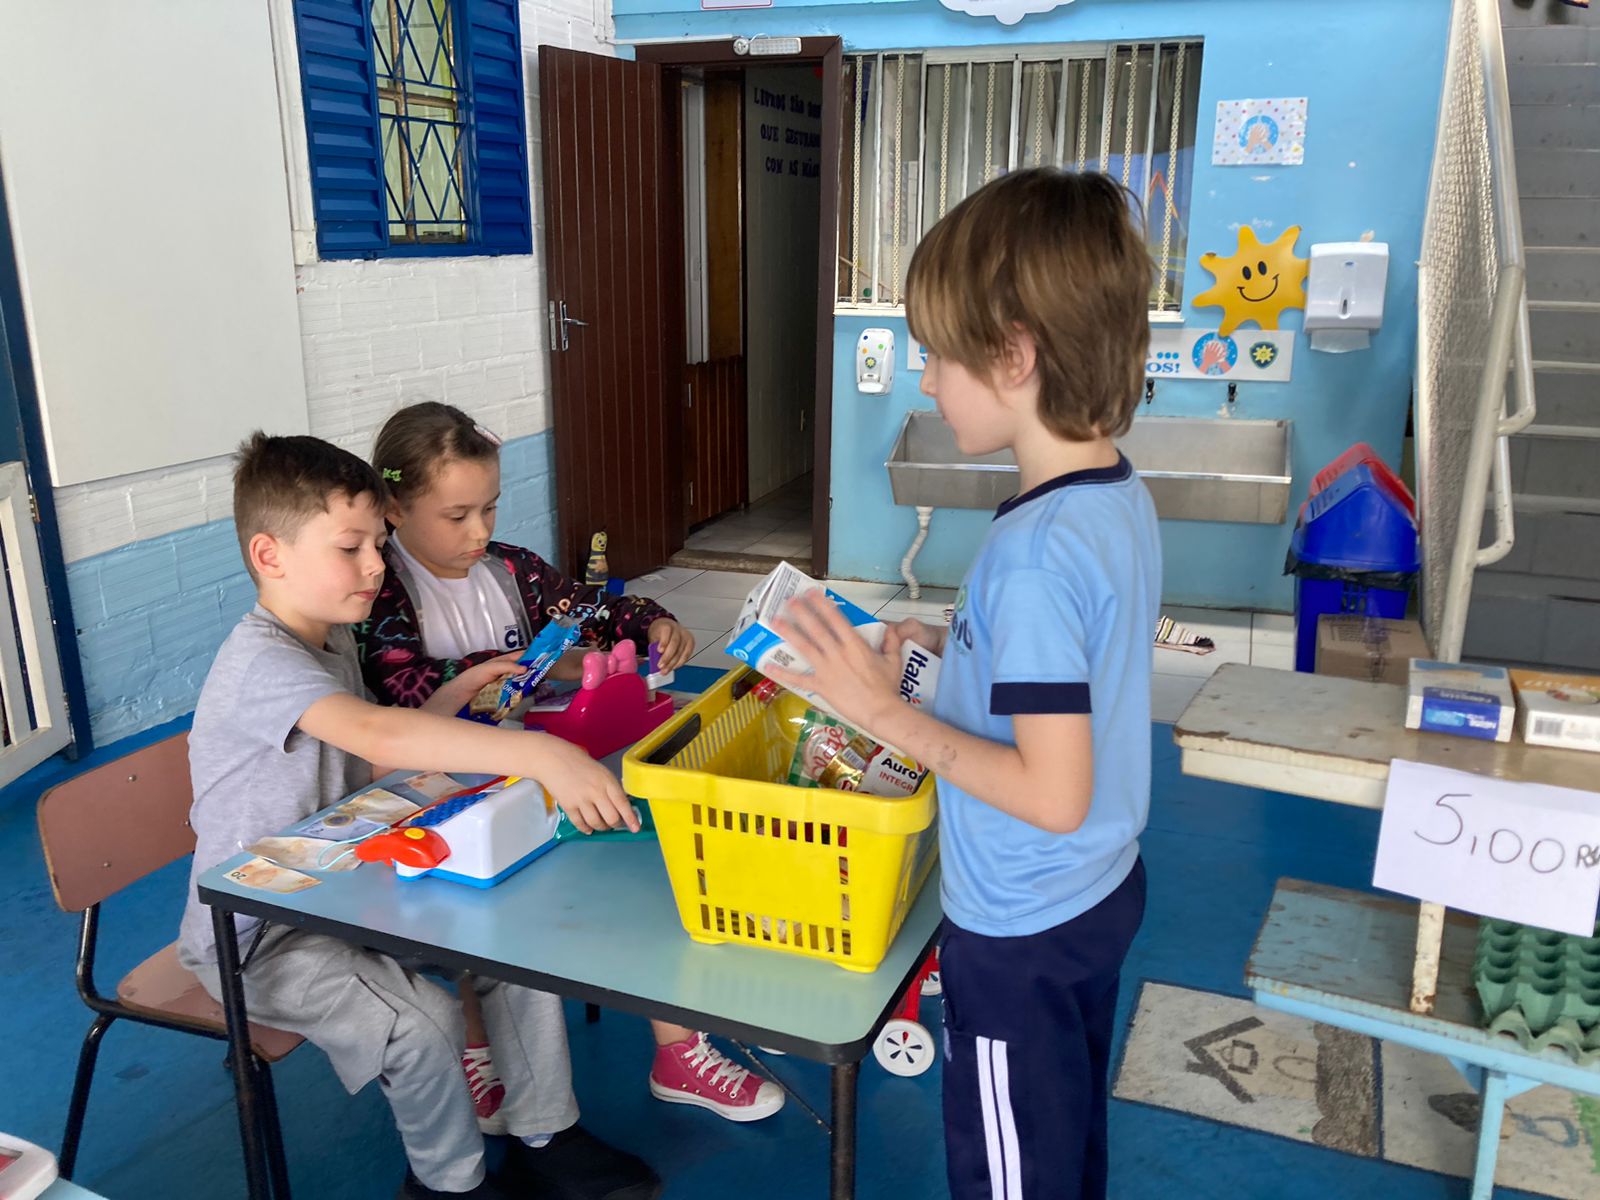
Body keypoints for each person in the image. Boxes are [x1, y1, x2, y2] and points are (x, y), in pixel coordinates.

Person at [765, 168, 1160, 1200]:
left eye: (938, 355)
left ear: (1015, 355)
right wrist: (943, 645)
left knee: (1013, 1174)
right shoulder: (1109, 494)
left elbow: (1050, 793)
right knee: (1060, 1143)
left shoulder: (1034, 554)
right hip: (1097, 891)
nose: (928, 382)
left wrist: (881, 712)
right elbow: (1070, 665)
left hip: (1021, 924)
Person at [177, 433, 661, 1200]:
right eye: (351, 548)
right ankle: (446, 1185)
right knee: (423, 1021)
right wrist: (542, 755)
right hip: (260, 932)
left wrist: (448, 697)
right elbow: (375, 736)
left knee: (515, 945)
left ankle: (546, 1134)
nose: (376, 565)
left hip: (344, 883)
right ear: (270, 556)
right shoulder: (263, 662)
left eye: (378, 543)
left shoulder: (330, 638)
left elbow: (361, 763)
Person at [355, 402, 784, 1126]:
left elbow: (590, 610)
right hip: (435, 800)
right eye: (457, 515)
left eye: (490, 507)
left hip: (535, 772)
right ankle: (478, 1044)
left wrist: (652, 620)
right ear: (394, 510)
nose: (480, 531)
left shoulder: (510, 570)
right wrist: (524, 666)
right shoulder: (380, 589)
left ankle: (678, 1049)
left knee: (644, 859)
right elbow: (400, 686)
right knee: (472, 912)